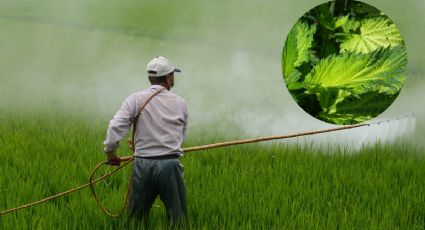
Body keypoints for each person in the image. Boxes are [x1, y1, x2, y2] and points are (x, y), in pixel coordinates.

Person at [103, 56, 188, 225]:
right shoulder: (180, 103)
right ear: (169, 78)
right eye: (173, 75)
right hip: (170, 165)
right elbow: (181, 136)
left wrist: (111, 154)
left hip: (142, 165)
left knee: (136, 220)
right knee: (178, 219)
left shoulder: (135, 99)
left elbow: (115, 127)